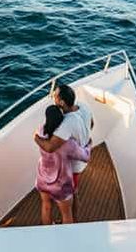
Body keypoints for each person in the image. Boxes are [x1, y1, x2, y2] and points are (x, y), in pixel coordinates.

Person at [33, 84, 94, 219]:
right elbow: (92, 123)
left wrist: (35, 138)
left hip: (56, 173)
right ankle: (73, 222)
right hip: (68, 173)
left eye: (55, 96)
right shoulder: (83, 106)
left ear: (61, 102)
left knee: (47, 204)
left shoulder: (59, 127)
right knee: (72, 198)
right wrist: (87, 142)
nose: (53, 98)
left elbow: (49, 147)